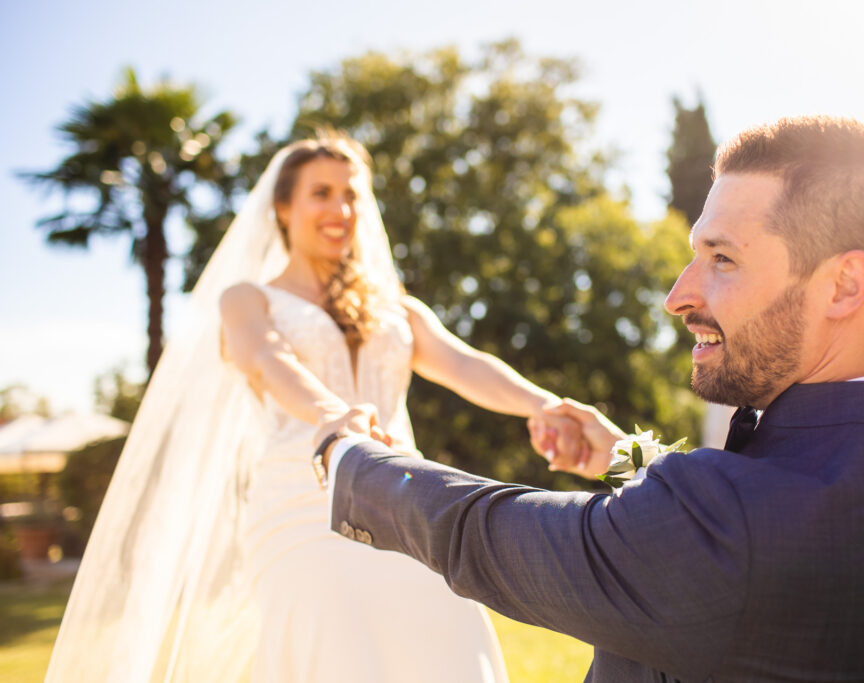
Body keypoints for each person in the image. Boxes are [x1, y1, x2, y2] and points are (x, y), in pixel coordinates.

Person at [316, 115, 864, 682]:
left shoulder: (729, 527)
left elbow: (484, 534)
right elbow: (768, 503)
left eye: (722, 259)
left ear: (843, 285)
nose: (678, 295)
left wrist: (353, 458)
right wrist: (626, 459)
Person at [46, 132, 591, 682]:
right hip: (300, 505)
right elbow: (265, 357)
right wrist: (333, 413)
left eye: (352, 195)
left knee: (447, 633)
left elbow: (463, 363)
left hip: (407, 499)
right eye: (322, 193)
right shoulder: (247, 299)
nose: (341, 209)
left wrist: (544, 406)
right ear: (283, 208)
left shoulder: (394, 307)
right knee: (336, 646)